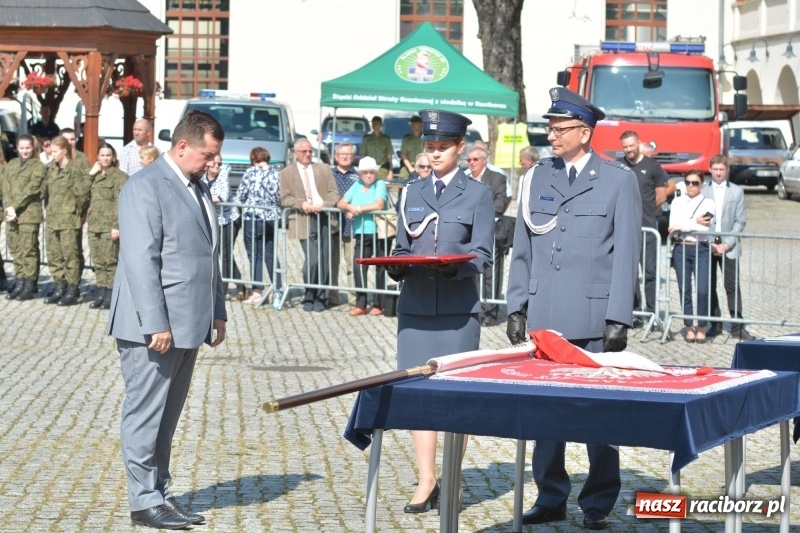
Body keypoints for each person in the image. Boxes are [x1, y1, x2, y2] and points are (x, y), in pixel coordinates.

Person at [506, 87, 641, 530]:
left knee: (597, 414)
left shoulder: (617, 179)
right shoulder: (536, 177)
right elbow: (522, 248)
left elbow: (627, 253)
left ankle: (599, 500)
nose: (552, 135)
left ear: (585, 133)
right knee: (546, 414)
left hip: (591, 314)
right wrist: (517, 305)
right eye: (549, 127)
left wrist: (618, 316)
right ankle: (550, 496)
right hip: (545, 314)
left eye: (560, 129)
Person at [108, 110, 226, 531]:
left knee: (167, 415)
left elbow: (208, 254)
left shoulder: (195, 187)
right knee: (146, 412)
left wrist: (218, 310)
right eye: (207, 155)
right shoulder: (145, 187)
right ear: (182, 146)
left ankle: (159, 491)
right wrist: (155, 323)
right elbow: (141, 260)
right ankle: (143, 500)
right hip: (154, 327)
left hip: (189, 323)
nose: (212, 164)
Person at [384, 109, 494, 514]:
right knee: (418, 394)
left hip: (456, 310)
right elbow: (402, 245)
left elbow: (484, 254)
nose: (433, 154)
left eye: (442, 148)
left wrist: (455, 265)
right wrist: (395, 265)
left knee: (455, 397)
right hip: (415, 308)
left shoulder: (477, 193)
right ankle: (426, 479)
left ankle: (452, 476)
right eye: (428, 147)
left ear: (460, 148)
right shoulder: (411, 191)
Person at [280, 138, 340, 312]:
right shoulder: (287, 173)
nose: (307, 154)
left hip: (325, 217)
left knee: (324, 259)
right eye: (304, 152)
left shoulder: (323, 169)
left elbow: (333, 193)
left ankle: (322, 297)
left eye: (309, 151)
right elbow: (285, 198)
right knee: (312, 261)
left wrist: (324, 205)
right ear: (296, 153)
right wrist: (302, 204)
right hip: (304, 219)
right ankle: (310, 293)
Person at [618, 130, 670, 320]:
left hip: (647, 228)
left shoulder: (652, 165)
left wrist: (646, 210)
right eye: (625, 147)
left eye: (631, 145)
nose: (628, 150)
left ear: (638, 143)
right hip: (625, 230)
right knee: (629, 274)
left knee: (649, 272)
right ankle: (635, 312)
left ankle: (651, 311)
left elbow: (662, 194)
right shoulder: (619, 166)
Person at [702, 155, 753, 340]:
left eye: (721, 169)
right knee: (709, 285)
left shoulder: (737, 192)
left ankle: (737, 326)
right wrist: (710, 243)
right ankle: (714, 324)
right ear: (710, 169)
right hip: (707, 244)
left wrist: (727, 244)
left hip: (729, 246)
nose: (717, 173)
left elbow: (740, 220)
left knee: (732, 286)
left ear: (726, 170)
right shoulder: (702, 190)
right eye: (715, 169)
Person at [42, 135, 92, 307]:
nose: (52, 154)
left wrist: (78, 212)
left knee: (70, 255)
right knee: (54, 255)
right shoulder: (52, 169)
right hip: (53, 219)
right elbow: (47, 192)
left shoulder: (75, 170)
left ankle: (72, 289)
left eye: (55, 151)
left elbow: (82, 194)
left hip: (69, 220)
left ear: (64, 151)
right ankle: (59, 286)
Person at [668, 169, 715, 343]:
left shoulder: (708, 203)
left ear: (701, 184)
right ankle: (689, 326)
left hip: (701, 248)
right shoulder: (677, 202)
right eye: (688, 182)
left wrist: (684, 225)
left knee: (702, 290)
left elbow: (705, 227)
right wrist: (694, 221)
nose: (690, 186)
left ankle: (702, 326)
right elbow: (672, 226)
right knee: (685, 289)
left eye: (695, 182)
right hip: (681, 248)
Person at [337, 156, 388, 316]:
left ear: (375, 173)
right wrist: (350, 207)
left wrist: (358, 209)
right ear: (360, 174)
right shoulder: (356, 185)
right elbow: (340, 203)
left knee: (380, 268)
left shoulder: (380, 184)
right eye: (365, 172)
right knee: (359, 267)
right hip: (361, 232)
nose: (368, 175)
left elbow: (379, 204)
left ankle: (378, 304)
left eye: (371, 172)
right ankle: (361, 302)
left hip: (379, 233)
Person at [465, 145, 508, 326]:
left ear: (484, 160)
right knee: (471, 272)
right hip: (468, 234)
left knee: (491, 274)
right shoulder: (464, 178)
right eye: (469, 160)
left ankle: (490, 313)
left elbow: (500, 203)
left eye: (475, 159)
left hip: (490, 232)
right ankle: (475, 309)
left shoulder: (497, 177)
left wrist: (478, 214)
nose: (472, 163)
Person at [235, 147, 282, 306]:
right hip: (271, 218)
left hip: (253, 217)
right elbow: (278, 196)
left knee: (254, 254)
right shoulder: (276, 173)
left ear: (253, 159)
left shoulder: (250, 173)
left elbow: (241, 194)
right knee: (270, 253)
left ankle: (257, 291)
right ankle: (278, 289)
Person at [1, 134, 46, 300]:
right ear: (17, 148)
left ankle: (29, 284)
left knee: (28, 250)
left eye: (28, 148)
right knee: (15, 249)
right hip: (11, 214)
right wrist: (8, 207)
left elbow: (33, 189)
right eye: (22, 148)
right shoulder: (11, 165)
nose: (25, 151)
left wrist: (14, 206)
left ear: (33, 148)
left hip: (28, 214)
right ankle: (20, 281)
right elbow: (5, 187)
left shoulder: (37, 166)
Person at [86, 142, 128, 309]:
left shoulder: (119, 177)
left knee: (109, 262)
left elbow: (122, 203)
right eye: (102, 155)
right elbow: (81, 193)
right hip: (94, 225)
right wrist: (90, 174)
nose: (105, 158)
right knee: (98, 261)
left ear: (113, 157)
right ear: (97, 157)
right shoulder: (94, 175)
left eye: (108, 155)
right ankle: (101, 292)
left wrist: (117, 225)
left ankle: (110, 294)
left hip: (109, 226)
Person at [204, 154, 246, 302]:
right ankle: (241, 285)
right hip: (213, 221)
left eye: (220, 164)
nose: (217, 166)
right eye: (215, 163)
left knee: (226, 254)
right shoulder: (202, 175)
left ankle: (224, 288)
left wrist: (203, 197)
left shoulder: (223, 175)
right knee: (220, 254)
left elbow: (222, 196)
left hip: (228, 220)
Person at [331, 142, 360, 304]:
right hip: (332, 226)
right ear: (336, 156)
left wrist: (354, 208)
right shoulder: (329, 175)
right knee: (332, 264)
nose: (344, 157)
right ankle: (332, 297)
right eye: (342, 154)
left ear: (353, 157)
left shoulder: (358, 177)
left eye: (348, 154)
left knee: (351, 265)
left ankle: (353, 298)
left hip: (352, 226)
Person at [361, 116, 394, 181]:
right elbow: (362, 155)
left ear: (381, 125)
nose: (375, 125)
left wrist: (390, 172)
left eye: (377, 123)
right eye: (373, 123)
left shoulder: (386, 139)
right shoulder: (366, 138)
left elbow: (389, 157)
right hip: (369, 168)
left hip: (382, 169)